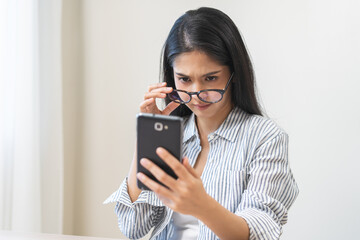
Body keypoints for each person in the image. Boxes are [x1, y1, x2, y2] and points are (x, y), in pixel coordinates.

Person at [104, 7, 299, 240]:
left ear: (233, 74)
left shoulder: (265, 137)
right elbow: (132, 227)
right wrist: (148, 135)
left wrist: (201, 205)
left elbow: (258, 234)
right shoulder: (173, 136)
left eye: (210, 78)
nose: (196, 93)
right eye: (184, 79)